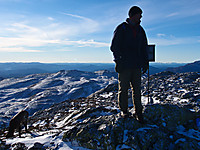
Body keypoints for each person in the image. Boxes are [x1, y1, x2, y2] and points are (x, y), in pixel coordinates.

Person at [110, 6, 149, 123]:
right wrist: (118, 61)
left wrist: (145, 62)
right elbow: (114, 46)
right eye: (139, 14)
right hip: (125, 65)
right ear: (133, 15)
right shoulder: (121, 28)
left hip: (136, 65)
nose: (141, 17)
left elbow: (144, 47)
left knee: (137, 89)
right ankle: (124, 111)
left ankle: (139, 112)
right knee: (124, 89)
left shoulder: (140, 30)